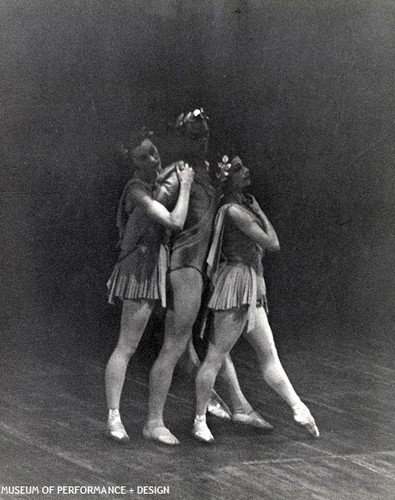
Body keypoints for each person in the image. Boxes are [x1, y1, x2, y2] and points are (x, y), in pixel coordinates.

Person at [144, 111, 272, 445]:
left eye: (204, 137)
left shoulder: (205, 174)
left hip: (200, 271)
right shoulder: (177, 173)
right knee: (174, 347)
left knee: (204, 348)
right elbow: (155, 218)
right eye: (194, 137)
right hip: (184, 268)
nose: (202, 143)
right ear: (182, 139)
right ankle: (153, 421)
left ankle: (231, 404)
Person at [192, 155, 320, 443]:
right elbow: (272, 243)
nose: (246, 171)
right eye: (238, 169)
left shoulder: (242, 206)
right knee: (215, 357)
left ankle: (300, 408)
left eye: (244, 166)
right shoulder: (233, 210)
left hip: (249, 283)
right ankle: (199, 419)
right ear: (227, 178)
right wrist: (261, 213)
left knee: (269, 355)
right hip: (236, 283)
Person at [105, 131, 194, 442]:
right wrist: (184, 187)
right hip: (140, 267)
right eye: (144, 157)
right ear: (133, 163)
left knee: (182, 344)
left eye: (154, 153)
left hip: (158, 266)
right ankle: (114, 417)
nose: (154, 160)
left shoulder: (155, 184)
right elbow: (173, 221)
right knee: (127, 346)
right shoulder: (136, 192)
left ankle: (165, 419)